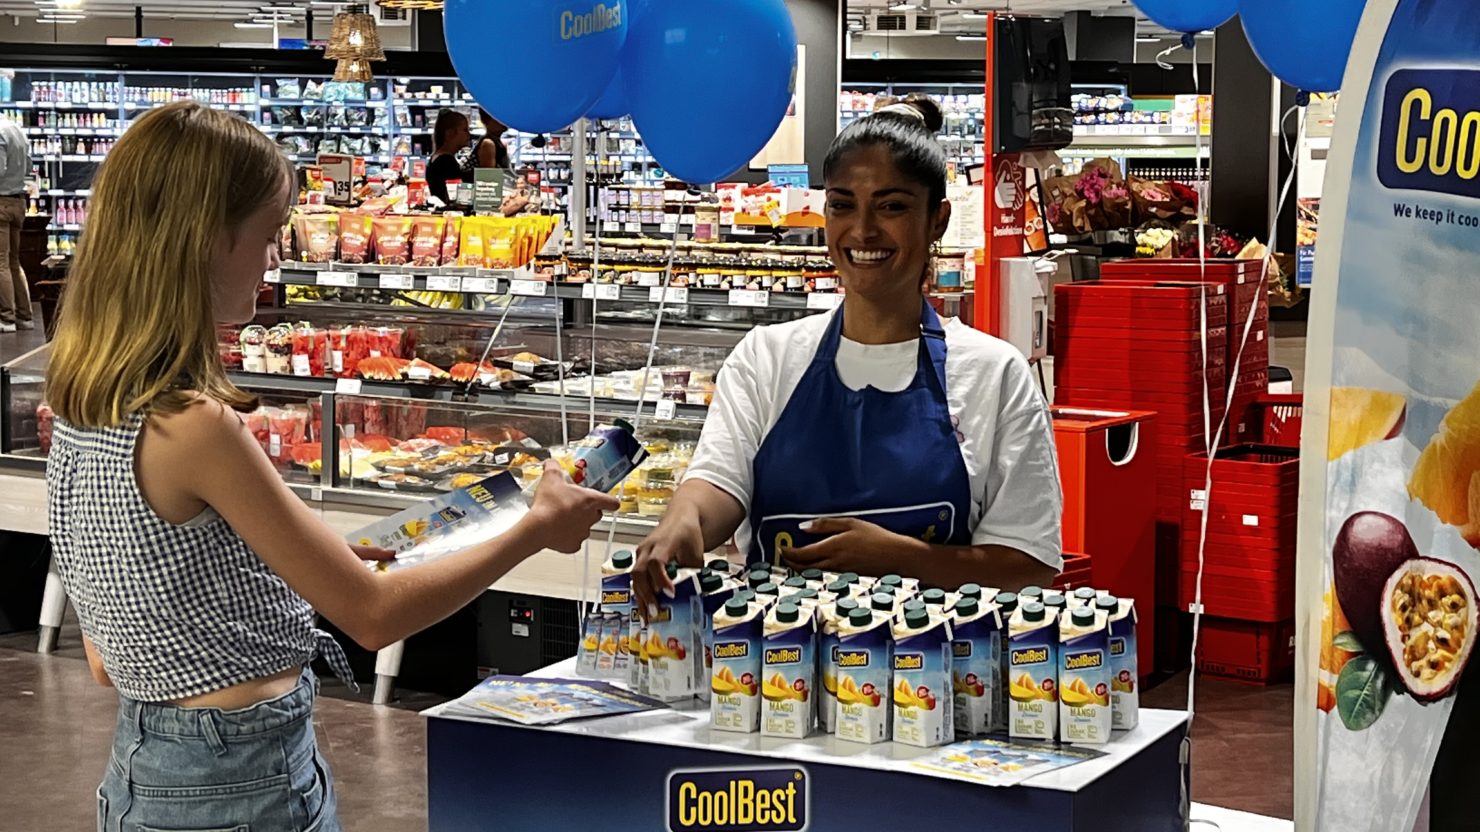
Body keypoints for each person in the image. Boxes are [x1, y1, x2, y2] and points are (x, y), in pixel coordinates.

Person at [44, 101, 617, 831]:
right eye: (268, 233)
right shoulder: (194, 425)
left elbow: (110, 647)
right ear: (205, 239)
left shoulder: (84, 401)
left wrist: (337, 557)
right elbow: (373, 618)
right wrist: (532, 531)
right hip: (238, 784)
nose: (275, 258)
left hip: (150, 769)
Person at [633, 97, 1063, 613]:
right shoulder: (768, 357)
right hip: (774, 674)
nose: (862, 231)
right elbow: (719, 486)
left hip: (930, 681)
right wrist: (684, 516)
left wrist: (903, 558)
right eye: (842, 205)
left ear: (938, 220)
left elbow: (1029, 559)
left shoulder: (994, 374)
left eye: (892, 206)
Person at [0, 107, 33, 333]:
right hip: (18, 201)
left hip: (0, 201)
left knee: (0, 262)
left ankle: (6, 319)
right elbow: (29, 166)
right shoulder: (16, 128)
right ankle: (25, 316)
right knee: (13, 261)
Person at [426, 108, 472, 205]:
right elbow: (457, 196)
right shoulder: (446, 161)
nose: (469, 134)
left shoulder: (438, 157)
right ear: (450, 133)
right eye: (465, 130)